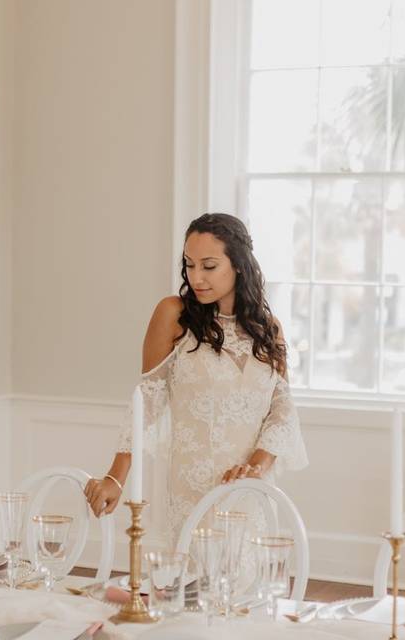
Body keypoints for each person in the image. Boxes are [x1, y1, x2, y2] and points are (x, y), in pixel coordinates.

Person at [83, 213, 308, 543]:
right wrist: (116, 477)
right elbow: (147, 400)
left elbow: (282, 411)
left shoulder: (268, 329)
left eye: (209, 265)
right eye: (189, 265)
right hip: (192, 490)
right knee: (188, 585)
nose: (197, 277)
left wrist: (256, 467)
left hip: (251, 490)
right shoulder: (173, 315)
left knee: (249, 585)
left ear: (239, 265)